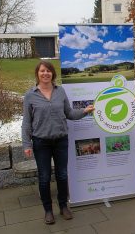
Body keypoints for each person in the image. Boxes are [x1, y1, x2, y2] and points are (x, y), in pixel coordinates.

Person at [22, 61, 94, 225]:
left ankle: (63, 206)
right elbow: (26, 123)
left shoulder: (60, 91)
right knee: (44, 177)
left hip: (61, 140)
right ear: (37, 74)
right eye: (42, 71)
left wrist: (84, 111)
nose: (45, 73)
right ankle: (48, 210)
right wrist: (26, 144)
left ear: (52, 74)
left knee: (62, 175)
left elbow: (69, 113)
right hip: (41, 142)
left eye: (48, 71)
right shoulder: (30, 95)